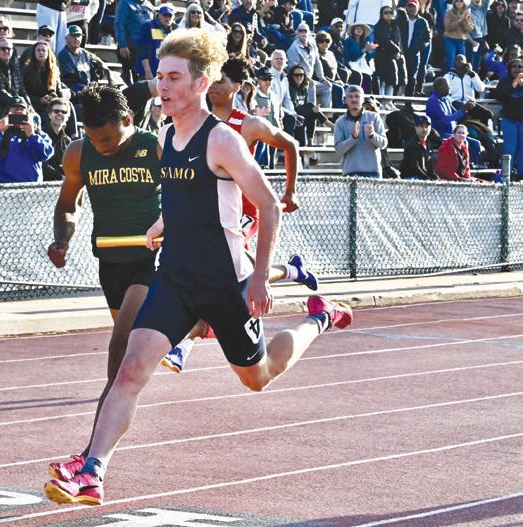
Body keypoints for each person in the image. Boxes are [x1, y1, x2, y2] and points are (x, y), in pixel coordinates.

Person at [44, 28, 352, 506]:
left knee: (258, 376)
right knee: (130, 369)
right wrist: (162, 223)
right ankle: (92, 471)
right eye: (160, 76)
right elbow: (186, 194)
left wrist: (259, 278)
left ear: (201, 83)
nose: (162, 86)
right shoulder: (166, 135)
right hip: (175, 278)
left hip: (224, 283)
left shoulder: (222, 140)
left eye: (173, 77)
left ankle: (321, 317)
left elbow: (268, 205)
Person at [161, 55, 316, 373]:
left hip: (243, 214)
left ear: (239, 87)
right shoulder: (194, 122)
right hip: (207, 214)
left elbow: (290, 145)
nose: (214, 86)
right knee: (221, 274)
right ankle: (291, 270)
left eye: (222, 81)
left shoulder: (249, 125)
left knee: (218, 271)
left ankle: (183, 345)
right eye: (212, 80)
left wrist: (290, 191)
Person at [44, 84, 162, 487]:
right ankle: (194, 326)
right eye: (96, 140)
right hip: (110, 265)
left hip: (151, 260)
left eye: (109, 139)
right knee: (130, 357)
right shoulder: (79, 153)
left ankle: (90, 457)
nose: (103, 147)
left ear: (128, 120)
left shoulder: (155, 147)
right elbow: (68, 203)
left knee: (119, 350)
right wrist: (62, 239)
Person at [0, 97, 54, 183]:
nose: (18, 113)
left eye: (21, 110)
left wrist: (32, 135)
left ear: (28, 114)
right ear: (7, 114)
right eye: (14, 112)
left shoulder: (39, 135)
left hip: (30, 185)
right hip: (3, 185)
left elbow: (45, 155)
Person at [334, 85, 388, 178]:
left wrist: (372, 135)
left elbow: (383, 144)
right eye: (350, 96)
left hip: (373, 172)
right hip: (350, 173)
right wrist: (352, 138)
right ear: (345, 100)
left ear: (363, 99)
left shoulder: (374, 117)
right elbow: (338, 150)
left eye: (357, 96)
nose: (354, 99)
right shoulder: (340, 122)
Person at [0, 38, 30, 123]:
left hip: (12, 108)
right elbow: (0, 93)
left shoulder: (15, 69)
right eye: (3, 49)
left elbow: (22, 90)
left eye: (8, 49)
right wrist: (19, 104)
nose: (6, 51)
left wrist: (28, 105)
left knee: (36, 117)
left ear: (12, 51)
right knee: (24, 121)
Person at [287, 22, 333, 108]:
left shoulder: (313, 45)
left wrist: (322, 79)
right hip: (298, 80)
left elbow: (317, 63)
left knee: (327, 87)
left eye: (305, 31)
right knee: (311, 85)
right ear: (297, 33)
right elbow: (294, 68)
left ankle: (327, 113)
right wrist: (306, 79)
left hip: (309, 80)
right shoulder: (294, 48)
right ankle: (312, 112)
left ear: (309, 32)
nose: (303, 33)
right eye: (301, 31)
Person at [493, 58, 523, 177]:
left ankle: (521, 173)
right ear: (510, 69)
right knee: (509, 149)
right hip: (509, 120)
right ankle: (507, 174)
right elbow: (500, 97)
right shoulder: (504, 81)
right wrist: (514, 84)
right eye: (514, 66)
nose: (517, 68)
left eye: (520, 66)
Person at [443, 54, 493, 124]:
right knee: (463, 117)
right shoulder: (448, 75)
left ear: (466, 62)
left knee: (488, 114)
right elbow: (444, 93)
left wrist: (472, 74)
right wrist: (453, 101)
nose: (459, 61)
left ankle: (480, 129)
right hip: (455, 104)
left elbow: (480, 89)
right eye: (457, 59)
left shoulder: (472, 74)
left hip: (470, 104)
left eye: (461, 59)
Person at [114, 0, 155, 85]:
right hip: (130, 48)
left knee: (143, 80)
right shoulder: (125, 3)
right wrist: (122, 44)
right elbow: (119, 23)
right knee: (131, 81)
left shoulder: (149, 5)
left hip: (146, 49)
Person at [374, 6, 406, 109]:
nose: (388, 14)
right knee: (385, 80)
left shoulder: (394, 25)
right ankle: (383, 103)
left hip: (394, 56)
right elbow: (384, 40)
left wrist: (399, 52)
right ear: (381, 14)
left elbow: (403, 21)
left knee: (395, 79)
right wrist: (397, 50)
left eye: (390, 12)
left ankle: (389, 101)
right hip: (382, 55)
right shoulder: (379, 26)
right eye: (386, 12)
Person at [398, 0, 431, 96]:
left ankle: (408, 101)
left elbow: (427, 38)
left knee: (412, 78)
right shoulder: (401, 20)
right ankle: (394, 99)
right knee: (399, 76)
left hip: (414, 54)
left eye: (414, 6)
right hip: (401, 53)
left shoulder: (422, 21)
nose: (411, 8)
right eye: (409, 6)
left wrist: (420, 47)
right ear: (406, 7)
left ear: (418, 7)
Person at [137, 5, 175, 81]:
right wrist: (147, 72)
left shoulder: (173, 29)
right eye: (165, 15)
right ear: (159, 15)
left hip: (164, 71)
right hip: (149, 70)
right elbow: (143, 52)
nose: (167, 18)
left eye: (170, 16)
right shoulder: (148, 26)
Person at [40, 97, 72, 180]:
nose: (60, 114)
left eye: (64, 112)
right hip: (43, 184)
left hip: (63, 183)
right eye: (56, 111)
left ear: (68, 116)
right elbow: (41, 164)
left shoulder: (68, 141)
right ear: (49, 115)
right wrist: (60, 177)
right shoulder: (40, 136)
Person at [400, 114, 437, 179]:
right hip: (411, 177)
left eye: (427, 126)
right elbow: (415, 167)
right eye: (421, 126)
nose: (424, 129)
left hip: (423, 176)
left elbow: (430, 167)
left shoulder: (429, 144)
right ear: (416, 128)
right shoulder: (411, 145)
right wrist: (428, 179)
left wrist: (435, 178)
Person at [443, 0, 474, 71]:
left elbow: (470, 29)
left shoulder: (467, 13)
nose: (459, 2)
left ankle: (461, 77)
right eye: (457, 1)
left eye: (461, 1)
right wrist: (459, 20)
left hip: (461, 40)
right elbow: (447, 27)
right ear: (454, 2)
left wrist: (465, 21)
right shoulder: (448, 13)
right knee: (451, 63)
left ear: (464, 2)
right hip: (450, 39)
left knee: (463, 63)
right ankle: (449, 77)